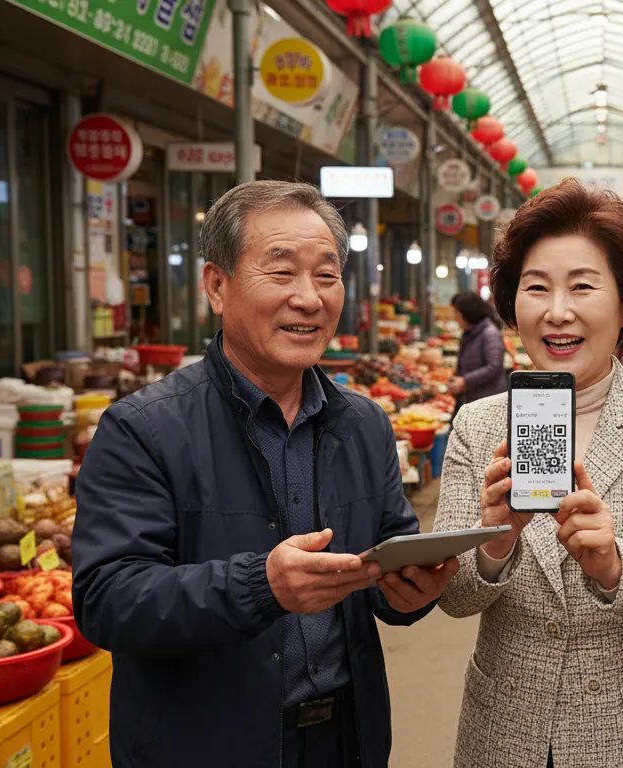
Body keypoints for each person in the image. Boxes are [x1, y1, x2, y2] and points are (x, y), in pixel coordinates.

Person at [72, 181, 457, 768]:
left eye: (326, 276)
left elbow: (389, 565)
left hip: (345, 738)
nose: (308, 298)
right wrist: (260, 587)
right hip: (202, 745)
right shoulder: (142, 429)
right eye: (281, 273)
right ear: (216, 286)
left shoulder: (364, 425)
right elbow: (107, 599)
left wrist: (412, 592)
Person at [434, 180, 623, 768]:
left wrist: (616, 565)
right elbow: (456, 597)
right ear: (513, 304)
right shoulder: (477, 424)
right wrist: (494, 542)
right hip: (505, 732)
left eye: (583, 287)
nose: (557, 311)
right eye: (536, 288)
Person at [450, 290, 509, 410]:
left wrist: (464, 381)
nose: (454, 317)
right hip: (473, 399)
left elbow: (494, 366)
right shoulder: (471, 332)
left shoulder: (489, 333)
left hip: (487, 402)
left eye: (455, 312)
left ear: (465, 313)